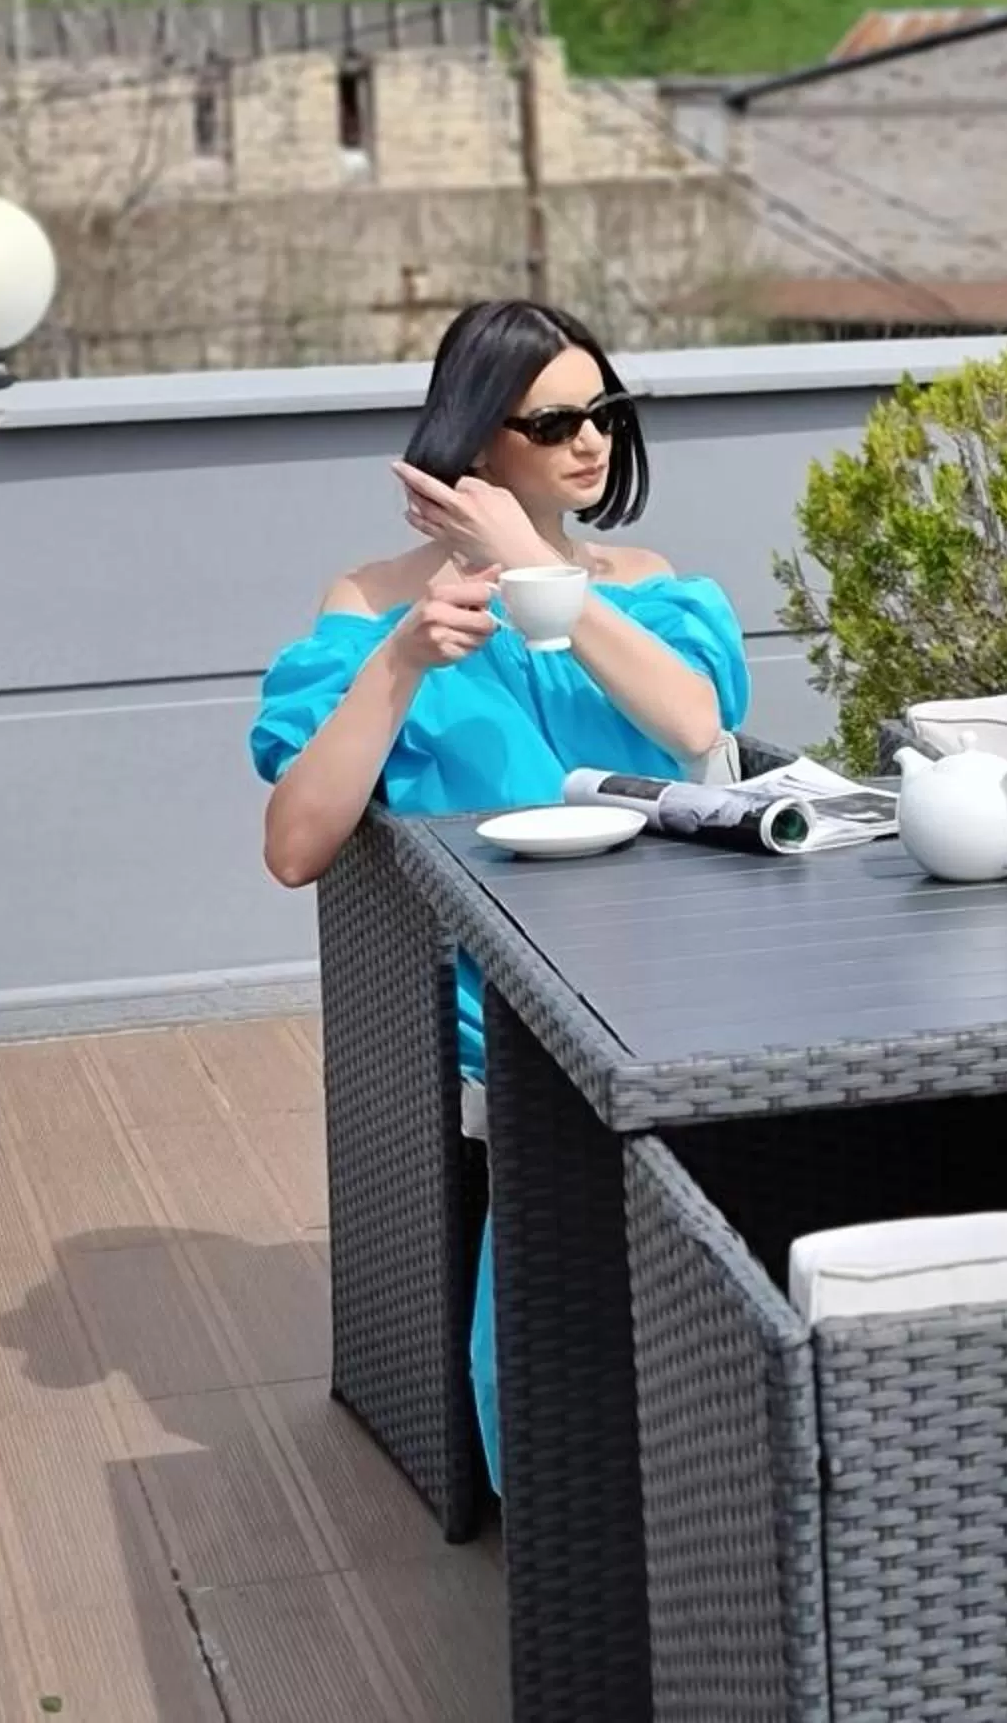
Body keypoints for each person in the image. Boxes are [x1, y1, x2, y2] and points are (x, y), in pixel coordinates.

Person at [248, 297, 752, 1486]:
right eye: (557, 420)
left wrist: (533, 566)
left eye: (607, 414)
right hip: (515, 981)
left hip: (685, 952)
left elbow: (694, 722)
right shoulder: (376, 607)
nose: (593, 442)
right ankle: (582, 1458)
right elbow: (292, 846)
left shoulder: (644, 584)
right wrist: (404, 658)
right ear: (478, 441)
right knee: (587, 1090)